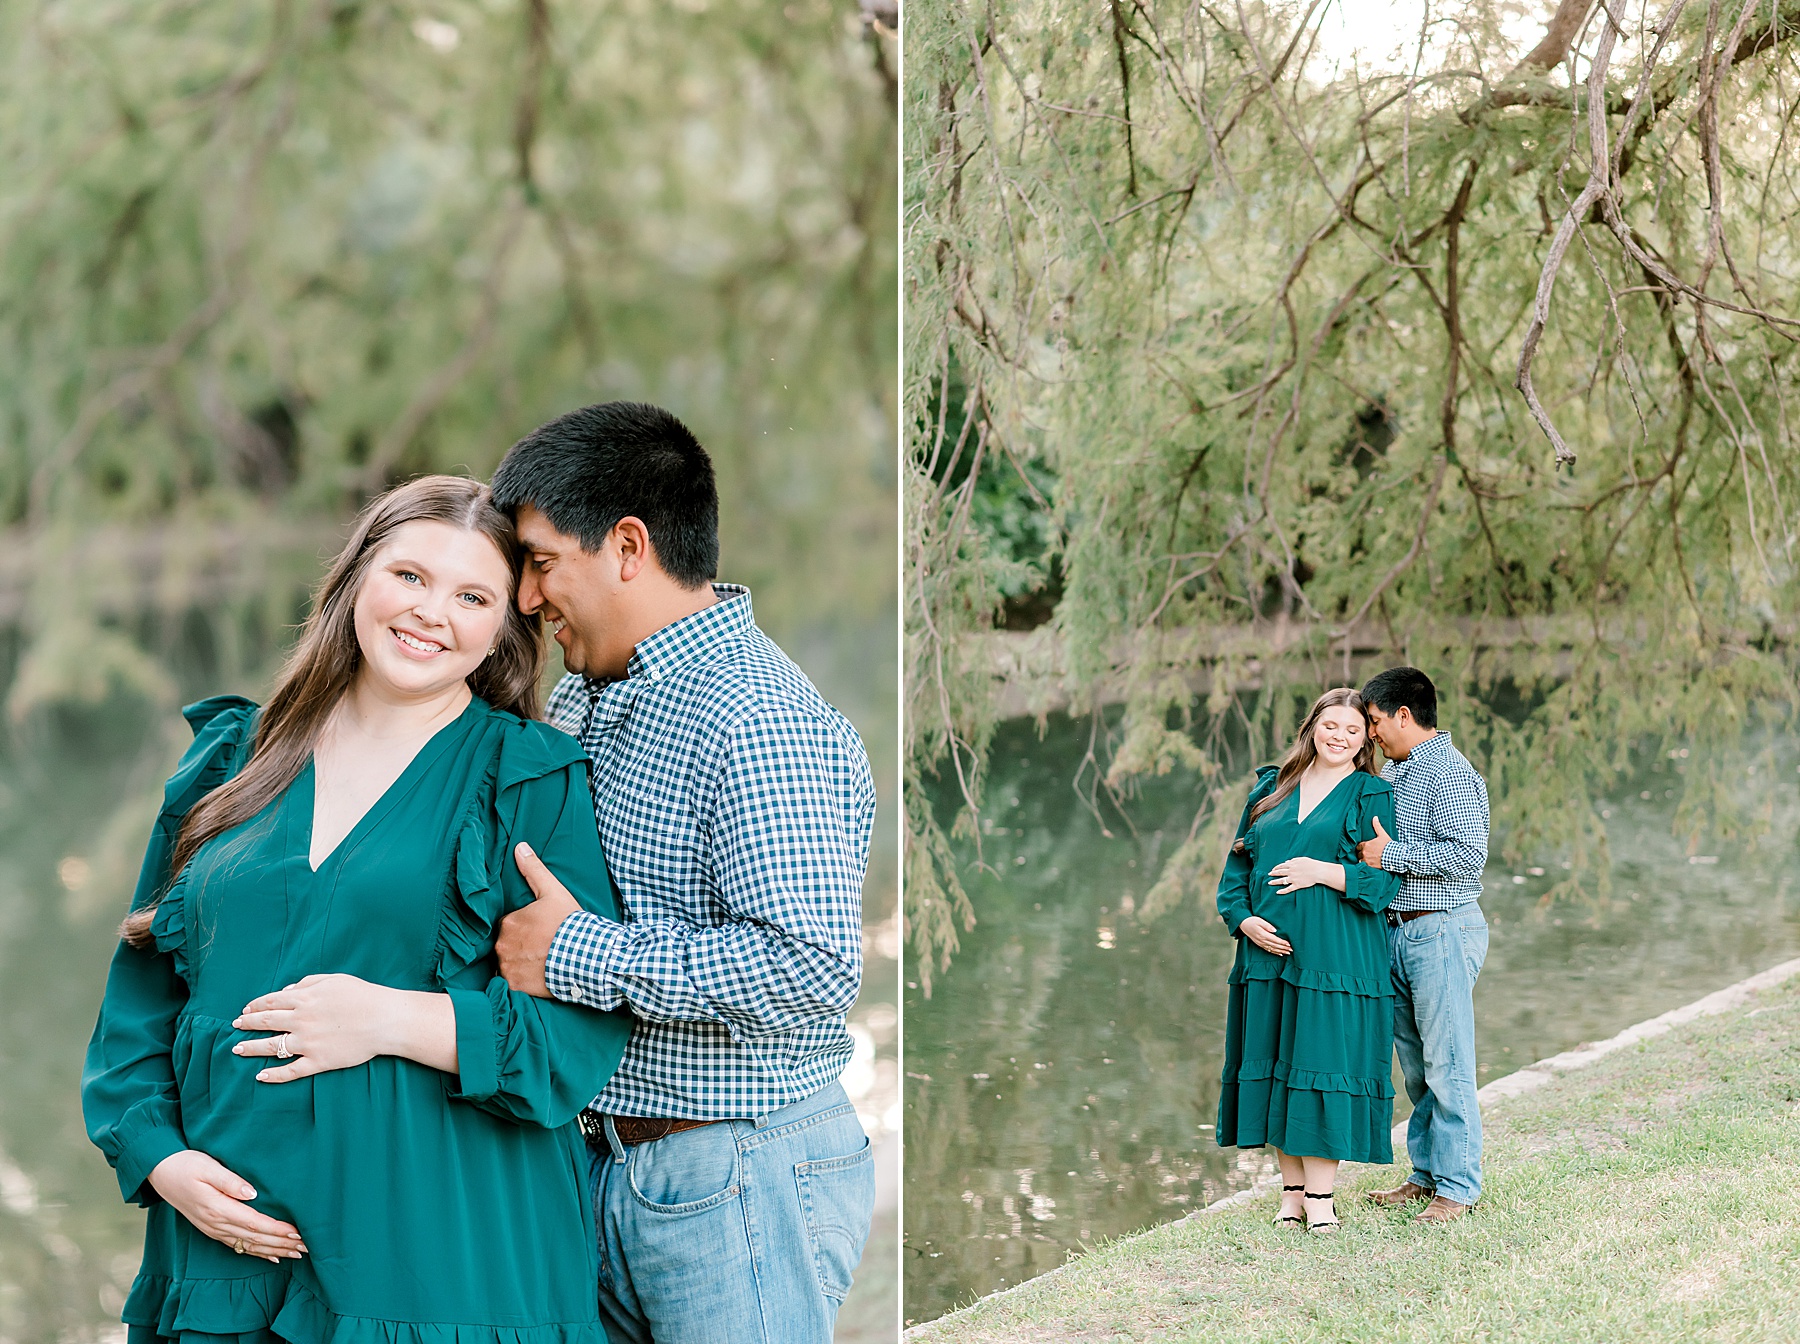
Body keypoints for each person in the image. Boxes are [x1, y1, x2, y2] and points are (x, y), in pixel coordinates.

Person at [82, 477, 633, 1344]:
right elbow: (140, 1000)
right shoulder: (231, 758)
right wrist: (163, 1162)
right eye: (409, 576)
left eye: (473, 596)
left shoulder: (527, 777)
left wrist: (388, 1019)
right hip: (230, 1248)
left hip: (438, 1252)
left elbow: (576, 1037)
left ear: (501, 628)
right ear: (356, 578)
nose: (431, 614)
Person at [484, 403, 877, 1343]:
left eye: (541, 564)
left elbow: (812, 967)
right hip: (601, 1168)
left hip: (735, 1174)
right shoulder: (588, 691)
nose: (528, 601)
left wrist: (578, 955)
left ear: (627, 546)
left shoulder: (757, 718)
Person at [1214, 687, 1401, 1233]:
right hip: (1265, 957)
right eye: (1330, 725)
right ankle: (1290, 1198)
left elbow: (1385, 880)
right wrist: (1243, 920)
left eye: (1351, 729)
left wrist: (1322, 871)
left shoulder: (1371, 795)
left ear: (1366, 737)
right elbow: (1234, 872)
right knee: (1279, 1068)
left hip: (1336, 957)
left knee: (1322, 1068)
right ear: (1311, 727)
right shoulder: (1270, 788)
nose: (1339, 737)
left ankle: (1321, 1200)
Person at [1355, 665, 1491, 1225]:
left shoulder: (1449, 773)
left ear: (1403, 716)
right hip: (1399, 930)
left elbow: (1466, 859)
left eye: (1375, 721)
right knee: (1415, 1068)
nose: (1370, 733)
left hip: (1440, 926)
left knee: (1448, 1061)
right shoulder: (1402, 772)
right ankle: (1426, 1175)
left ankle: (1459, 1186)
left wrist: (1391, 858)